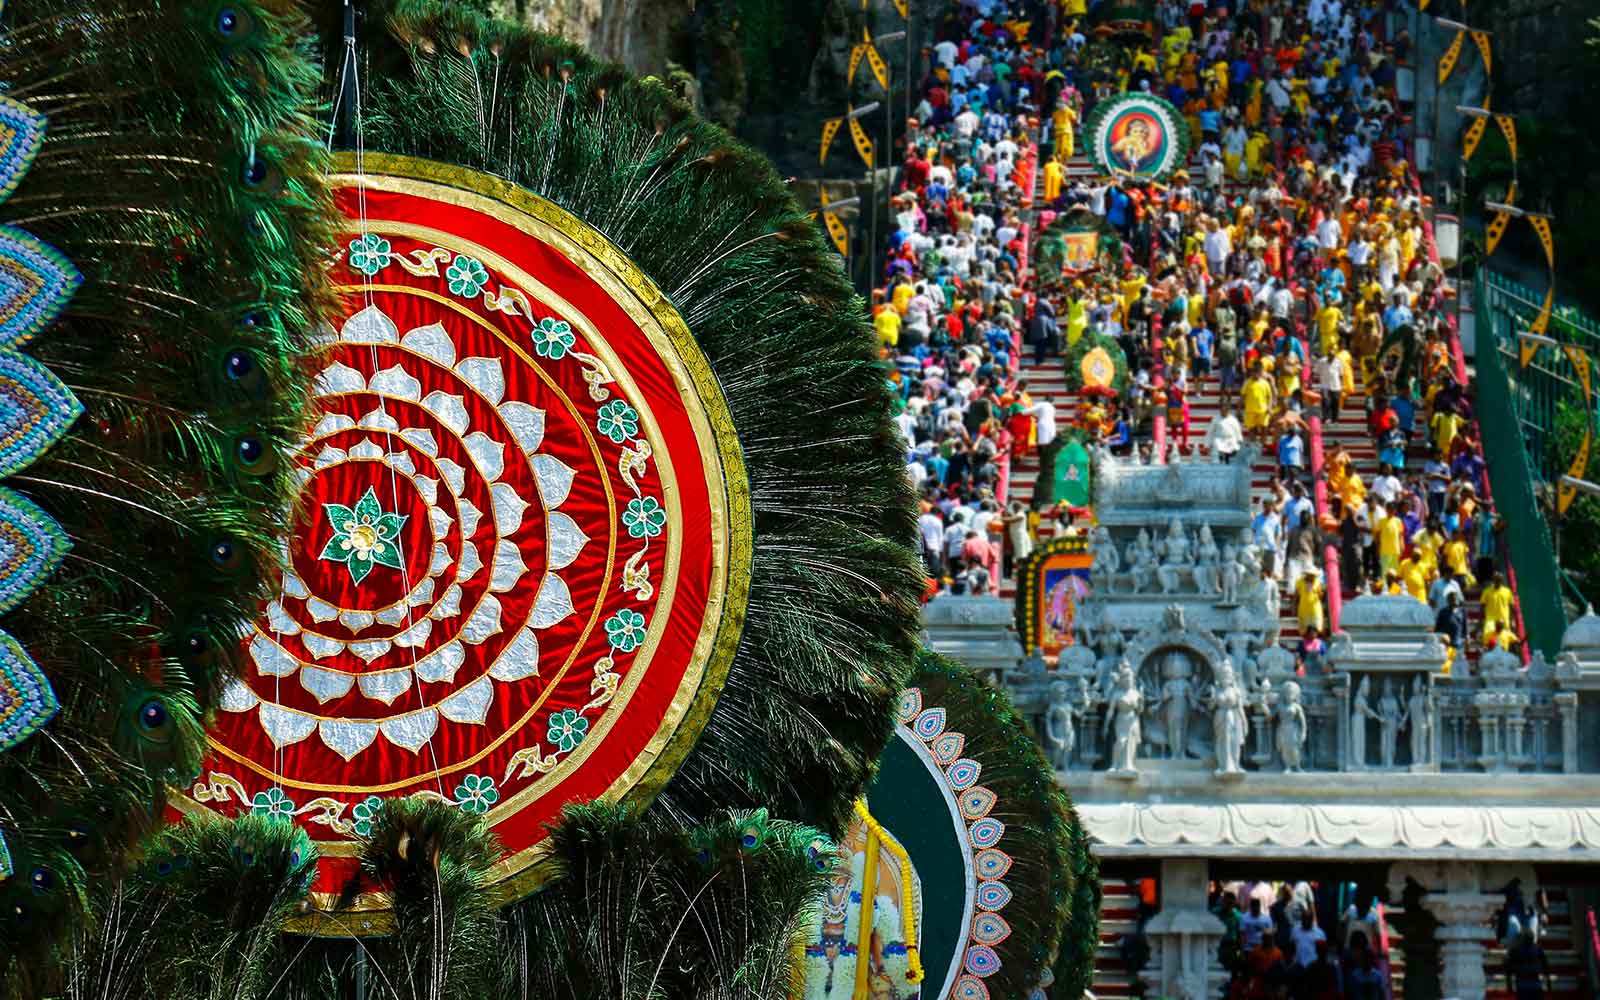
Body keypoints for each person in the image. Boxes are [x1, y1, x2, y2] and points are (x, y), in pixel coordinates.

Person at [1506, 929, 1551, 1000]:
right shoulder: (1538, 949)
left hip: (1523, 986)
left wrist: (1509, 986)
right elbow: (1546, 967)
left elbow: (1508, 970)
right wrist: (1549, 984)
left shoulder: (1515, 950)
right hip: (1535, 986)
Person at [1207, 398, 1245, 463]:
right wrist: (1207, 445)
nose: (1224, 410)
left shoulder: (1234, 420)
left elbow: (1238, 433)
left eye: (1226, 409)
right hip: (1219, 441)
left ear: (1229, 410)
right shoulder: (1215, 419)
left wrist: (1240, 441)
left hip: (1231, 442)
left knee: (1233, 456)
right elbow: (1210, 433)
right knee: (1218, 456)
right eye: (1222, 408)